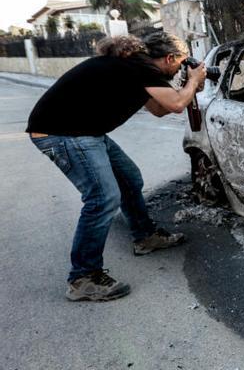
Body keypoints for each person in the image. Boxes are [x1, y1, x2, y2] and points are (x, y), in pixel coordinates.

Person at [27, 33, 207, 301]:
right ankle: (83, 278)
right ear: (169, 58)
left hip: (85, 132)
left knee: (129, 178)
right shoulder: (140, 66)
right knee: (102, 198)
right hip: (62, 133)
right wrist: (192, 81)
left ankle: (145, 237)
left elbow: (159, 109)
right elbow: (177, 104)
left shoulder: (135, 68)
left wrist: (189, 87)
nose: (181, 69)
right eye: (180, 64)